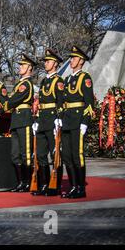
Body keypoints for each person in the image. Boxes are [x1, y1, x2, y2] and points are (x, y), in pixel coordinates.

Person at [60, 46, 95, 199]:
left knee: (77, 155)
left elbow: (89, 103)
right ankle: (73, 186)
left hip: (78, 120)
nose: (71, 60)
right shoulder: (67, 79)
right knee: (66, 155)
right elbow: (62, 102)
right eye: (71, 58)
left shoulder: (85, 78)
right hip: (67, 120)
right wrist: (60, 119)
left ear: (81, 61)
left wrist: (85, 122)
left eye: (74, 58)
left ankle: (81, 188)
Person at [31, 49, 64, 196]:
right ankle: (44, 184)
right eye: (45, 61)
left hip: (52, 119)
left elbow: (61, 102)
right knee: (40, 154)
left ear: (55, 64)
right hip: (43, 119)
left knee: (55, 153)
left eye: (48, 61)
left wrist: (59, 119)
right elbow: (40, 102)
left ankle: (55, 185)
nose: (46, 63)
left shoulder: (58, 81)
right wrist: (36, 119)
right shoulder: (44, 80)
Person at [4, 54, 36, 192]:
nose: (20, 67)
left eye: (23, 65)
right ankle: (20, 182)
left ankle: (28, 182)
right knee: (15, 154)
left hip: (24, 119)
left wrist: (4, 106)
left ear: (29, 68)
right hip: (16, 120)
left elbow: (15, 99)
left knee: (26, 153)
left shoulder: (26, 84)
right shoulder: (19, 84)